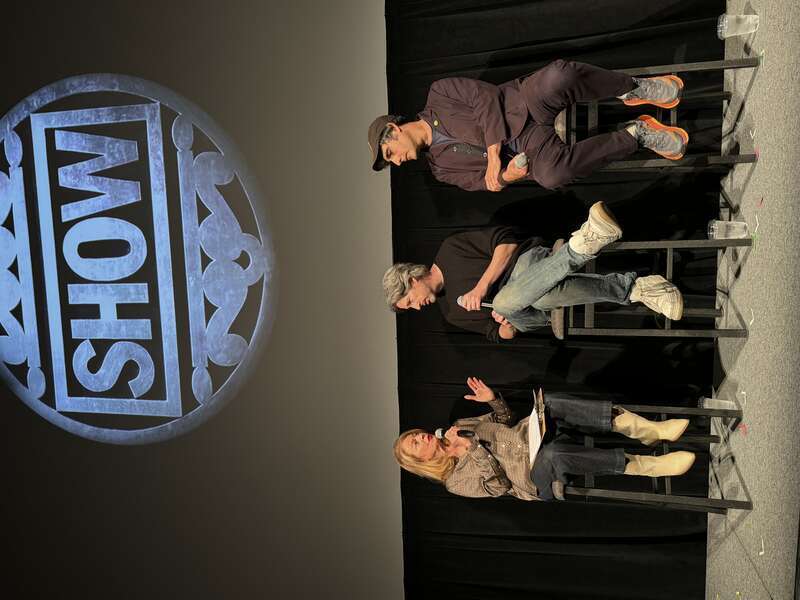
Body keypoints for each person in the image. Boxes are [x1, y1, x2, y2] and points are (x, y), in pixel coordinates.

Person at [382, 201, 683, 342]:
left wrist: (482, 287)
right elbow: (501, 334)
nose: (415, 307)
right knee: (506, 305)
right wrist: (503, 322)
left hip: (527, 262)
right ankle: (584, 245)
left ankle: (637, 290)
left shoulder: (450, 249)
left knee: (535, 297)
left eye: (409, 301)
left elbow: (507, 243)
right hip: (527, 315)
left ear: (411, 280)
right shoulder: (451, 313)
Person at [367, 59, 688, 191]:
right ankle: (637, 135)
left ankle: (631, 87)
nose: (397, 161)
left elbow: (485, 97)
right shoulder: (440, 168)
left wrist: (493, 156)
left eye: (390, 153)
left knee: (560, 75)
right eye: (392, 161)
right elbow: (486, 181)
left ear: (394, 130)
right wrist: (506, 175)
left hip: (522, 104)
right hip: (526, 148)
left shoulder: (439, 93)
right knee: (552, 176)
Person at [394, 377, 695, 501]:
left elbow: (505, 423)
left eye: (415, 435)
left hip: (528, 434)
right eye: (415, 444)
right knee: (553, 456)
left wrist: (491, 401)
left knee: (549, 401)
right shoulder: (454, 481)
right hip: (531, 478)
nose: (420, 437)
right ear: (420, 461)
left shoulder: (459, 425)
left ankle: (649, 432)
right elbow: (499, 487)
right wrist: (472, 447)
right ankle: (648, 466)